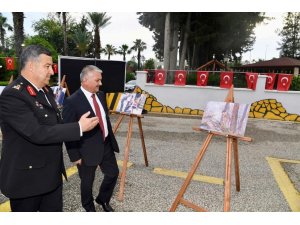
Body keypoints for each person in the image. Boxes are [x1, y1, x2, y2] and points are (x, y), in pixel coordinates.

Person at [0, 45, 99, 212]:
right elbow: (37, 133)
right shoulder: (13, 94)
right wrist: (78, 128)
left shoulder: (45, 91)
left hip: (51, 176)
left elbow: (55, 124)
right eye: (47, 66)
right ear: (31, 65)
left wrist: (75, 129)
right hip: (27, 181)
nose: (52, 72)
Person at [62, 65, 119, 212]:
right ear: (85, 80)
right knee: (87, 182)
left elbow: (104, 118)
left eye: (101, 80)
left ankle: (103, 199)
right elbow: (69, 130)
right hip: (85, 149)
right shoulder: (71, 101)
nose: (100, 83)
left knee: (113, 173)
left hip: (106, 144)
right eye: (97, 80)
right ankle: (89, 208)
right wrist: (74, 155)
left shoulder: (100, 95)